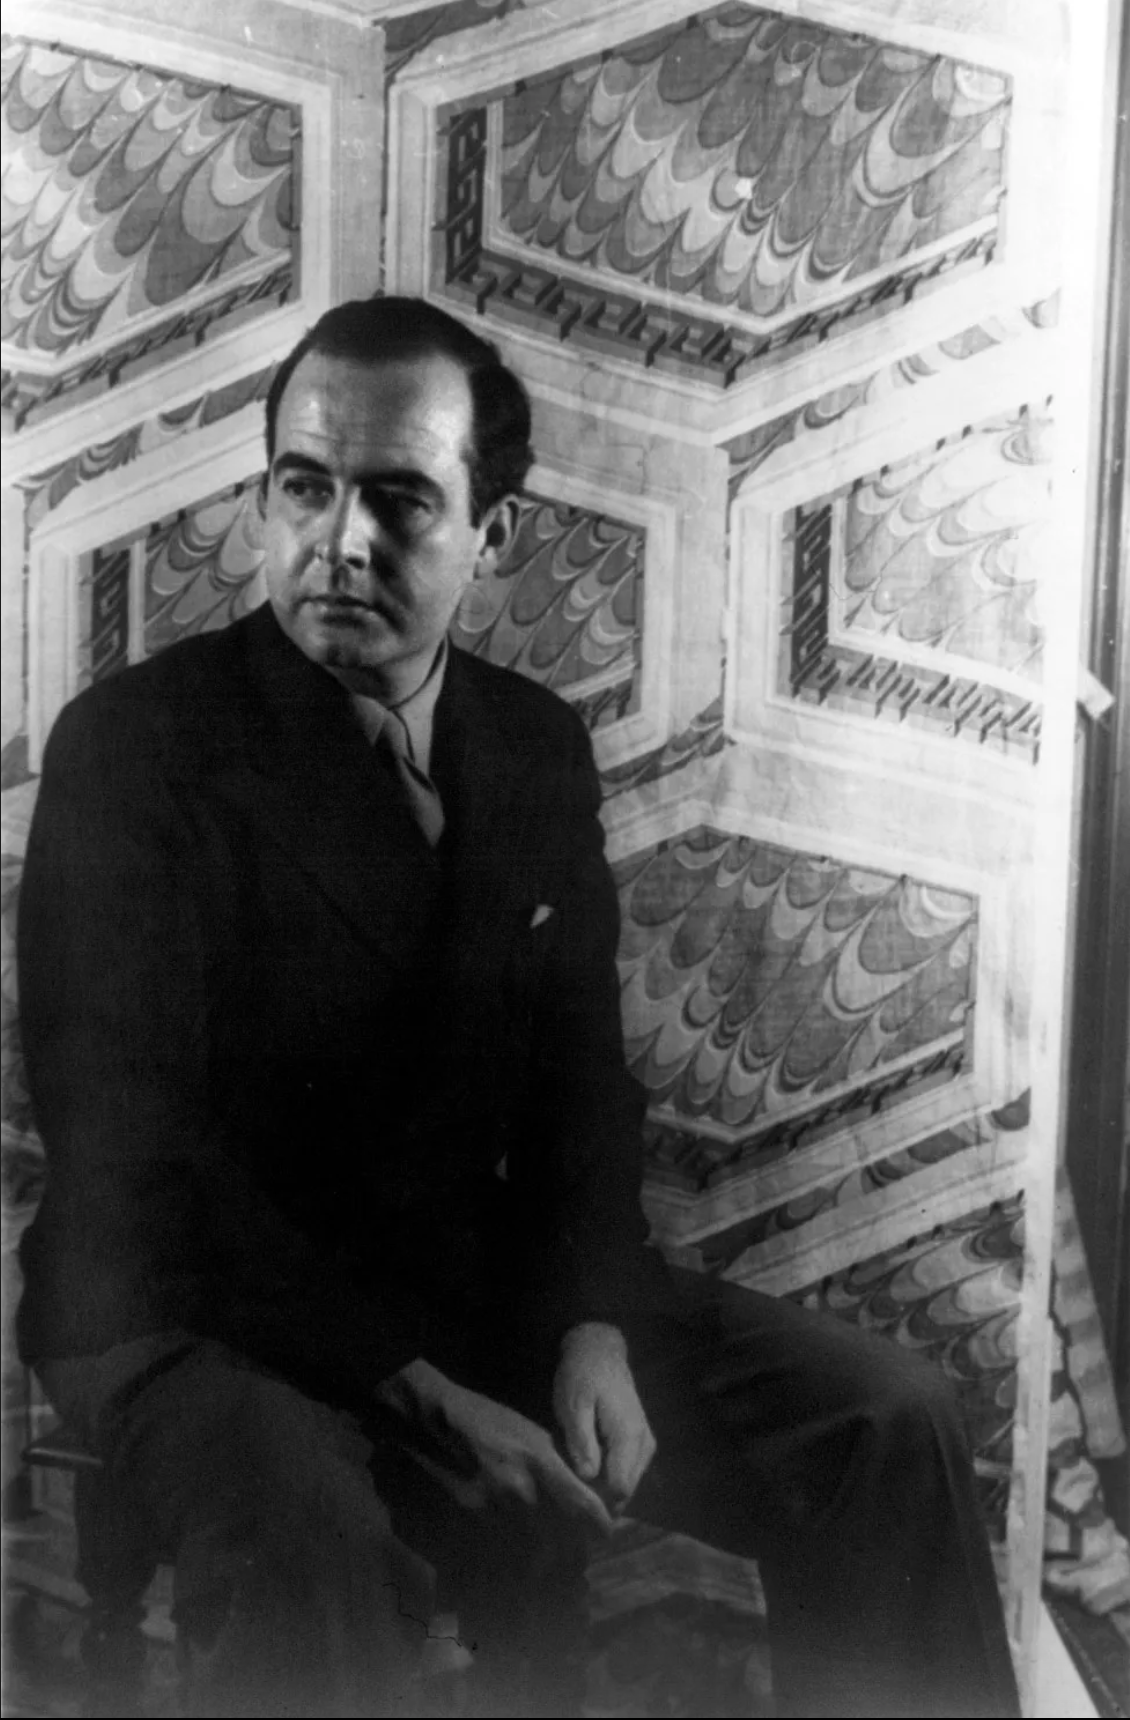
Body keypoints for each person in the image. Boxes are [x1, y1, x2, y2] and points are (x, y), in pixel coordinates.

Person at [16, 297, 1021, 1719]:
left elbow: (579, 1091)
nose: (340, 542)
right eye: (304, 488)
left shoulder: (533, 747)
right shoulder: (136, 748)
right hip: (185, 1304)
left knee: (881, 1420)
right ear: (263, 500)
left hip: (451, 1276)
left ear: (491, 534)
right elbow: (141, 1162)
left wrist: (593, 1324)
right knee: (313, 1544)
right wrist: (430, 1399)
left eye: (400, 501)